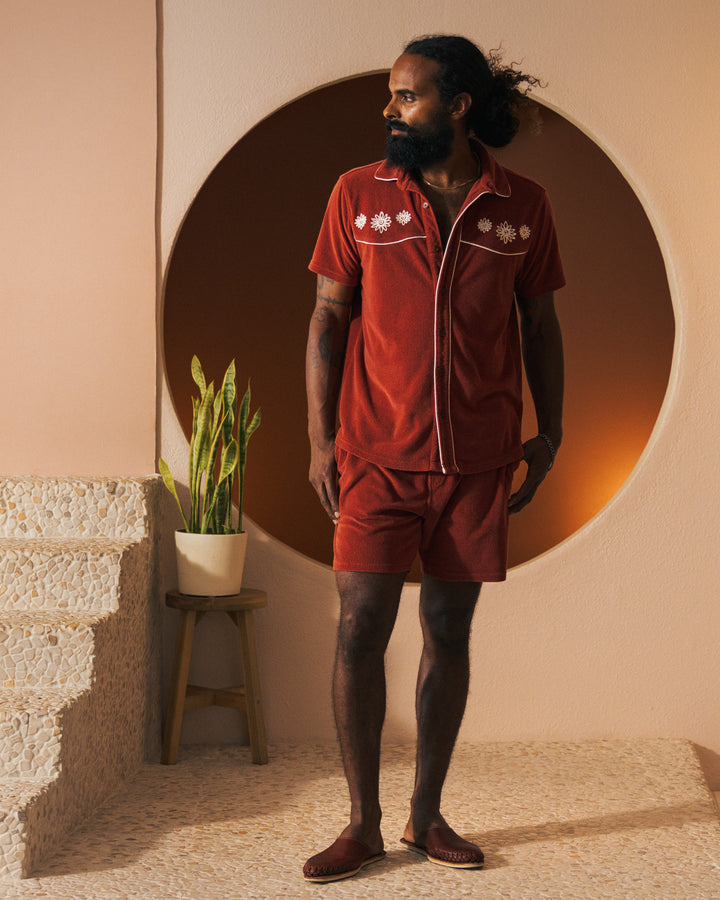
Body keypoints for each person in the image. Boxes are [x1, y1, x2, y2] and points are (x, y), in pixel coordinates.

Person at [303, 34, 565, 883]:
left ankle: (424, 817)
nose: (390, 110)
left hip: (479, 460)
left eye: (407, 95)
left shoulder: (523, 204)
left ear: (456, 104)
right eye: (391, 95)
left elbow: (541, 328)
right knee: (357, 628)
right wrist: (318, 440)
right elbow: (328, 321)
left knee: (448, 630)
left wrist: (552, 432)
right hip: (374, 455)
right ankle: (362, 824)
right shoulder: (356, 195)